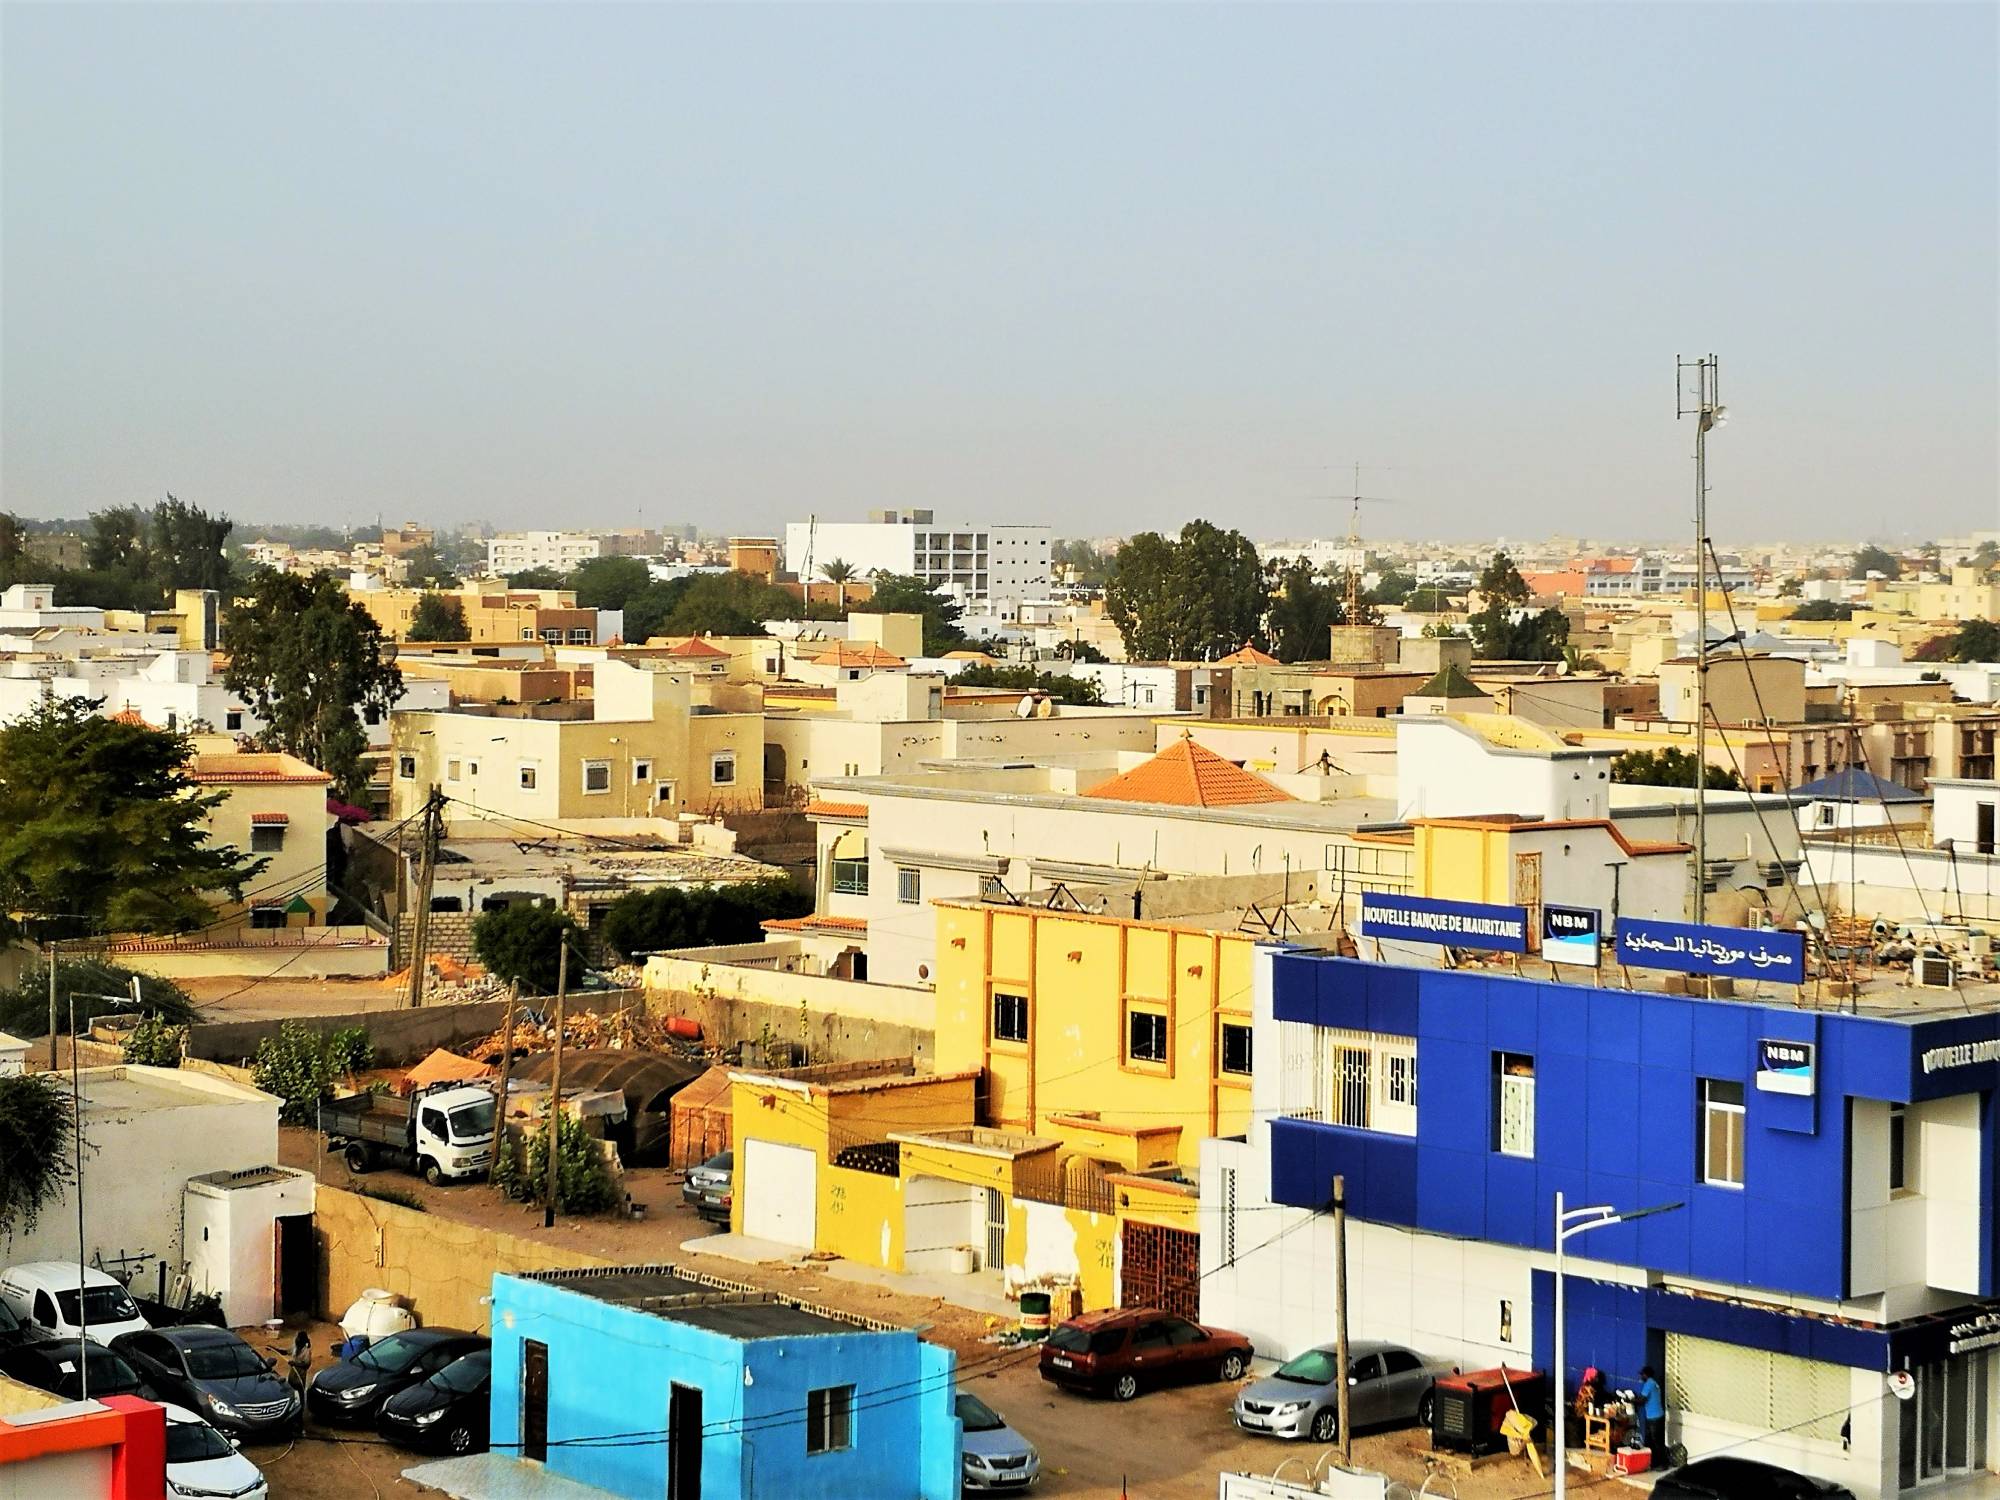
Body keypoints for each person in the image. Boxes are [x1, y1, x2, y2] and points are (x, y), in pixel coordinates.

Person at [1637, 1364, 1666, 1466]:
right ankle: (1652, 1463)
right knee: (1651, 1441)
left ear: (1646, 1375)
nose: (1641, 1377)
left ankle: (1663, 1464)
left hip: (1654, 1418)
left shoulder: (1648, 1384)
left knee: (1656, 1442)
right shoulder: (1654, 1383)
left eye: (1642, 1375)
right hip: (1657, 1416)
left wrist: (1631, 1400)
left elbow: (1642, 1400)